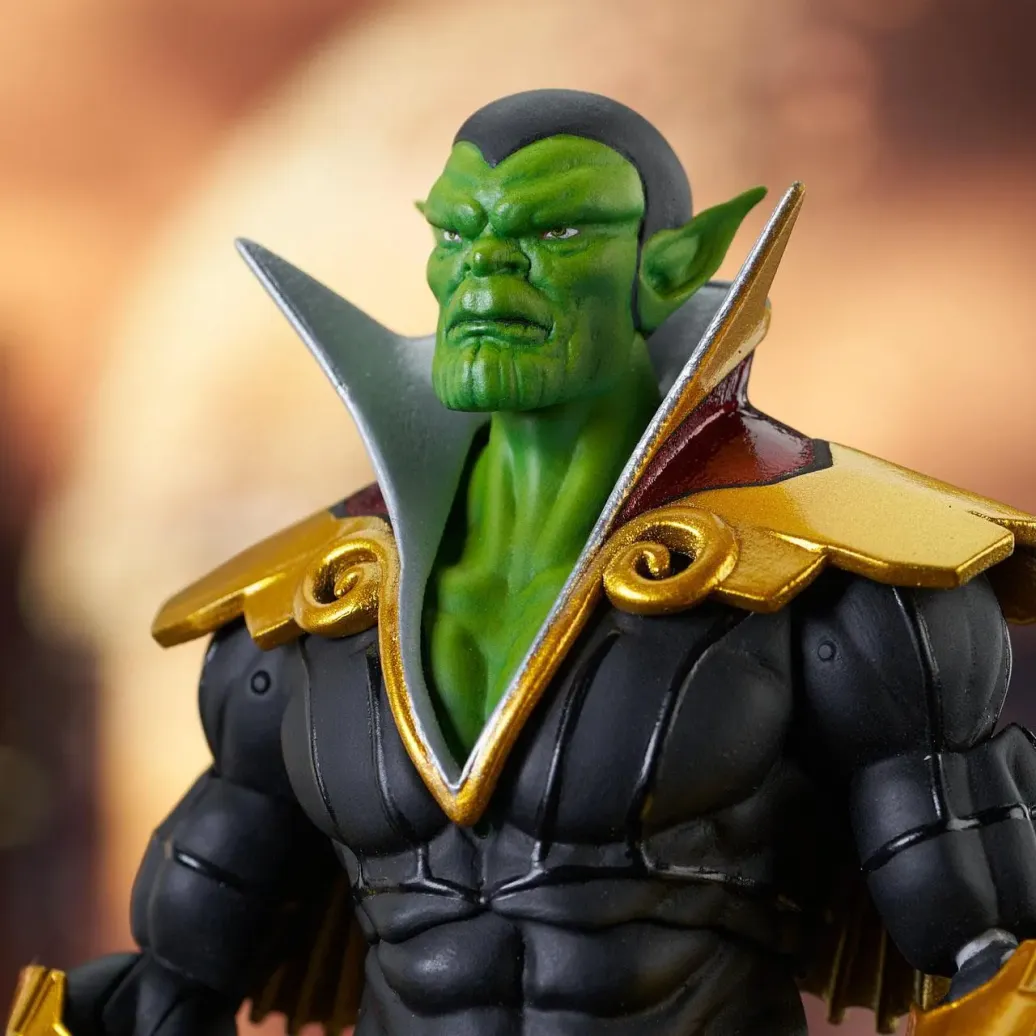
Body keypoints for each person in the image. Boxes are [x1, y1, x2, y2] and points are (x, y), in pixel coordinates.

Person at [10, 89, 1036, 1036]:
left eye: (553, 232)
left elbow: (989, 957)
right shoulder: (308, 615)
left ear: (674, 267)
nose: (487, 269)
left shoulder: (838, 587)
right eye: (458, 232)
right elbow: (174, 983)